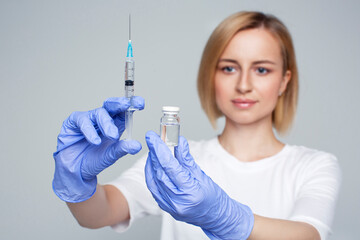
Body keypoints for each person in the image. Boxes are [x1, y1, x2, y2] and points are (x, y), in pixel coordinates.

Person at [52, 11, 341, 240]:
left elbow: (308, 235)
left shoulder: (314, 165)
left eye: (262, 69)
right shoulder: (174, 161)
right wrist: (77, 183)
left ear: (284, 81)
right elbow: (98, 214)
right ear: (210, 75)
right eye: (229, 68)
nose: (243, 85)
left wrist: (225, 216)